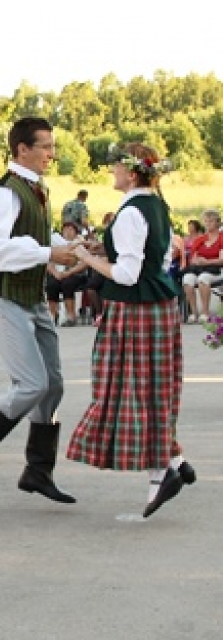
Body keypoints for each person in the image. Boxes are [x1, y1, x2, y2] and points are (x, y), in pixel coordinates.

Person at [68, 143, 195, 517]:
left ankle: (162, 475)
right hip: (156, 306)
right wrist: (102, 248)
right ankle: (174, 463)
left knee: (134, 391)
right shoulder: (155, 203)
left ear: (133, 172)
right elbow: (159, 255)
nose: (112, 172)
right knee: (153, 387)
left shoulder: (130, 212)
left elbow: (127, 273)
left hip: (135, 311)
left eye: (117, 167)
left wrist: (87, 257)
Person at [0, 117, 76, 504]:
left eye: (52, 147)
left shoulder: (36, 190)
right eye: (45, 147)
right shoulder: (5, 194)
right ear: (22, 149)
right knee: (31, 384)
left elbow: (40, 236)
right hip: (6, 295)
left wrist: (78, 249)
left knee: (52, 385)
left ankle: (37, 471)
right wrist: (47, 253)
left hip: (32, 295)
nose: (51, 154)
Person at [181, 209, 223, 323]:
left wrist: (207, 262)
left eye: (211, 221)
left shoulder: (221, 238)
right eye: (206, 221)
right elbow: (193, 258)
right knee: (187, 279)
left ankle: (205, 312)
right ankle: (194, 313)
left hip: (216, 269)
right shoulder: (200, 239)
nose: (208, 224)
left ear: (218, 223)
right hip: (199, 268)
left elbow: (221, 259)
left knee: (203, 279)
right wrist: (197, 261)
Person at [45, 219, 87, 326]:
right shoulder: (55, 244)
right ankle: (53, 315)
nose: (68, 232)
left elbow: (85, 263)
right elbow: (47, 261)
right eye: (65, 229)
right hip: (57, 273)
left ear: (76, 232)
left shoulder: (79, 244)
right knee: (52, 284)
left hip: (75, 274)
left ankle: (71, 316)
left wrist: (69, 272)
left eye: (71, 229)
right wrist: (55, 273)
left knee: (67, 283)